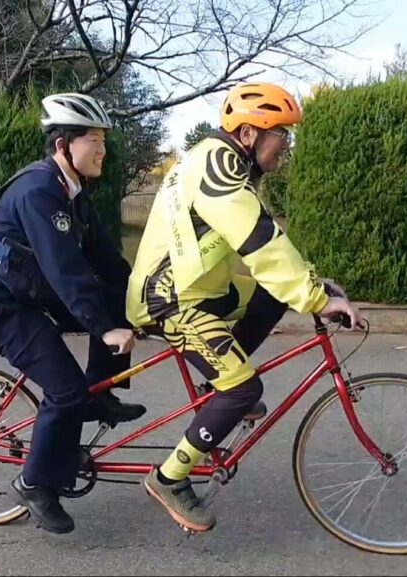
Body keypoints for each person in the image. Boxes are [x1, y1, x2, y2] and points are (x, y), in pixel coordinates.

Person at [125, 82, 363, 532]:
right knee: (243, 391)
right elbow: (258, 239)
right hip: (169, 299)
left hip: (199, 288)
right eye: (282, 136)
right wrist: (315, 299)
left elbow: (265, 238)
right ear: (251, 134)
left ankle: (222, 385)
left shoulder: (227, 161)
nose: (286, 149)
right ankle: (169, 477)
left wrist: (314, 284)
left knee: (272, 295)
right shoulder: (217, 165)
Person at [0, 92, 147, 534]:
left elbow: (108, 263)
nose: (102, 150)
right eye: (93, 141)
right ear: (63, 145)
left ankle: (99, 395)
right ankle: (34, 483)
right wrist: (104, 330)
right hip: (0, 302)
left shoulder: (74, 193)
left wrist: (145, 299)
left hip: (30, 292)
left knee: (117, 299)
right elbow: (65, 270)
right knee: (65, 389)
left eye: (103, 140)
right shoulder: (39, 191)